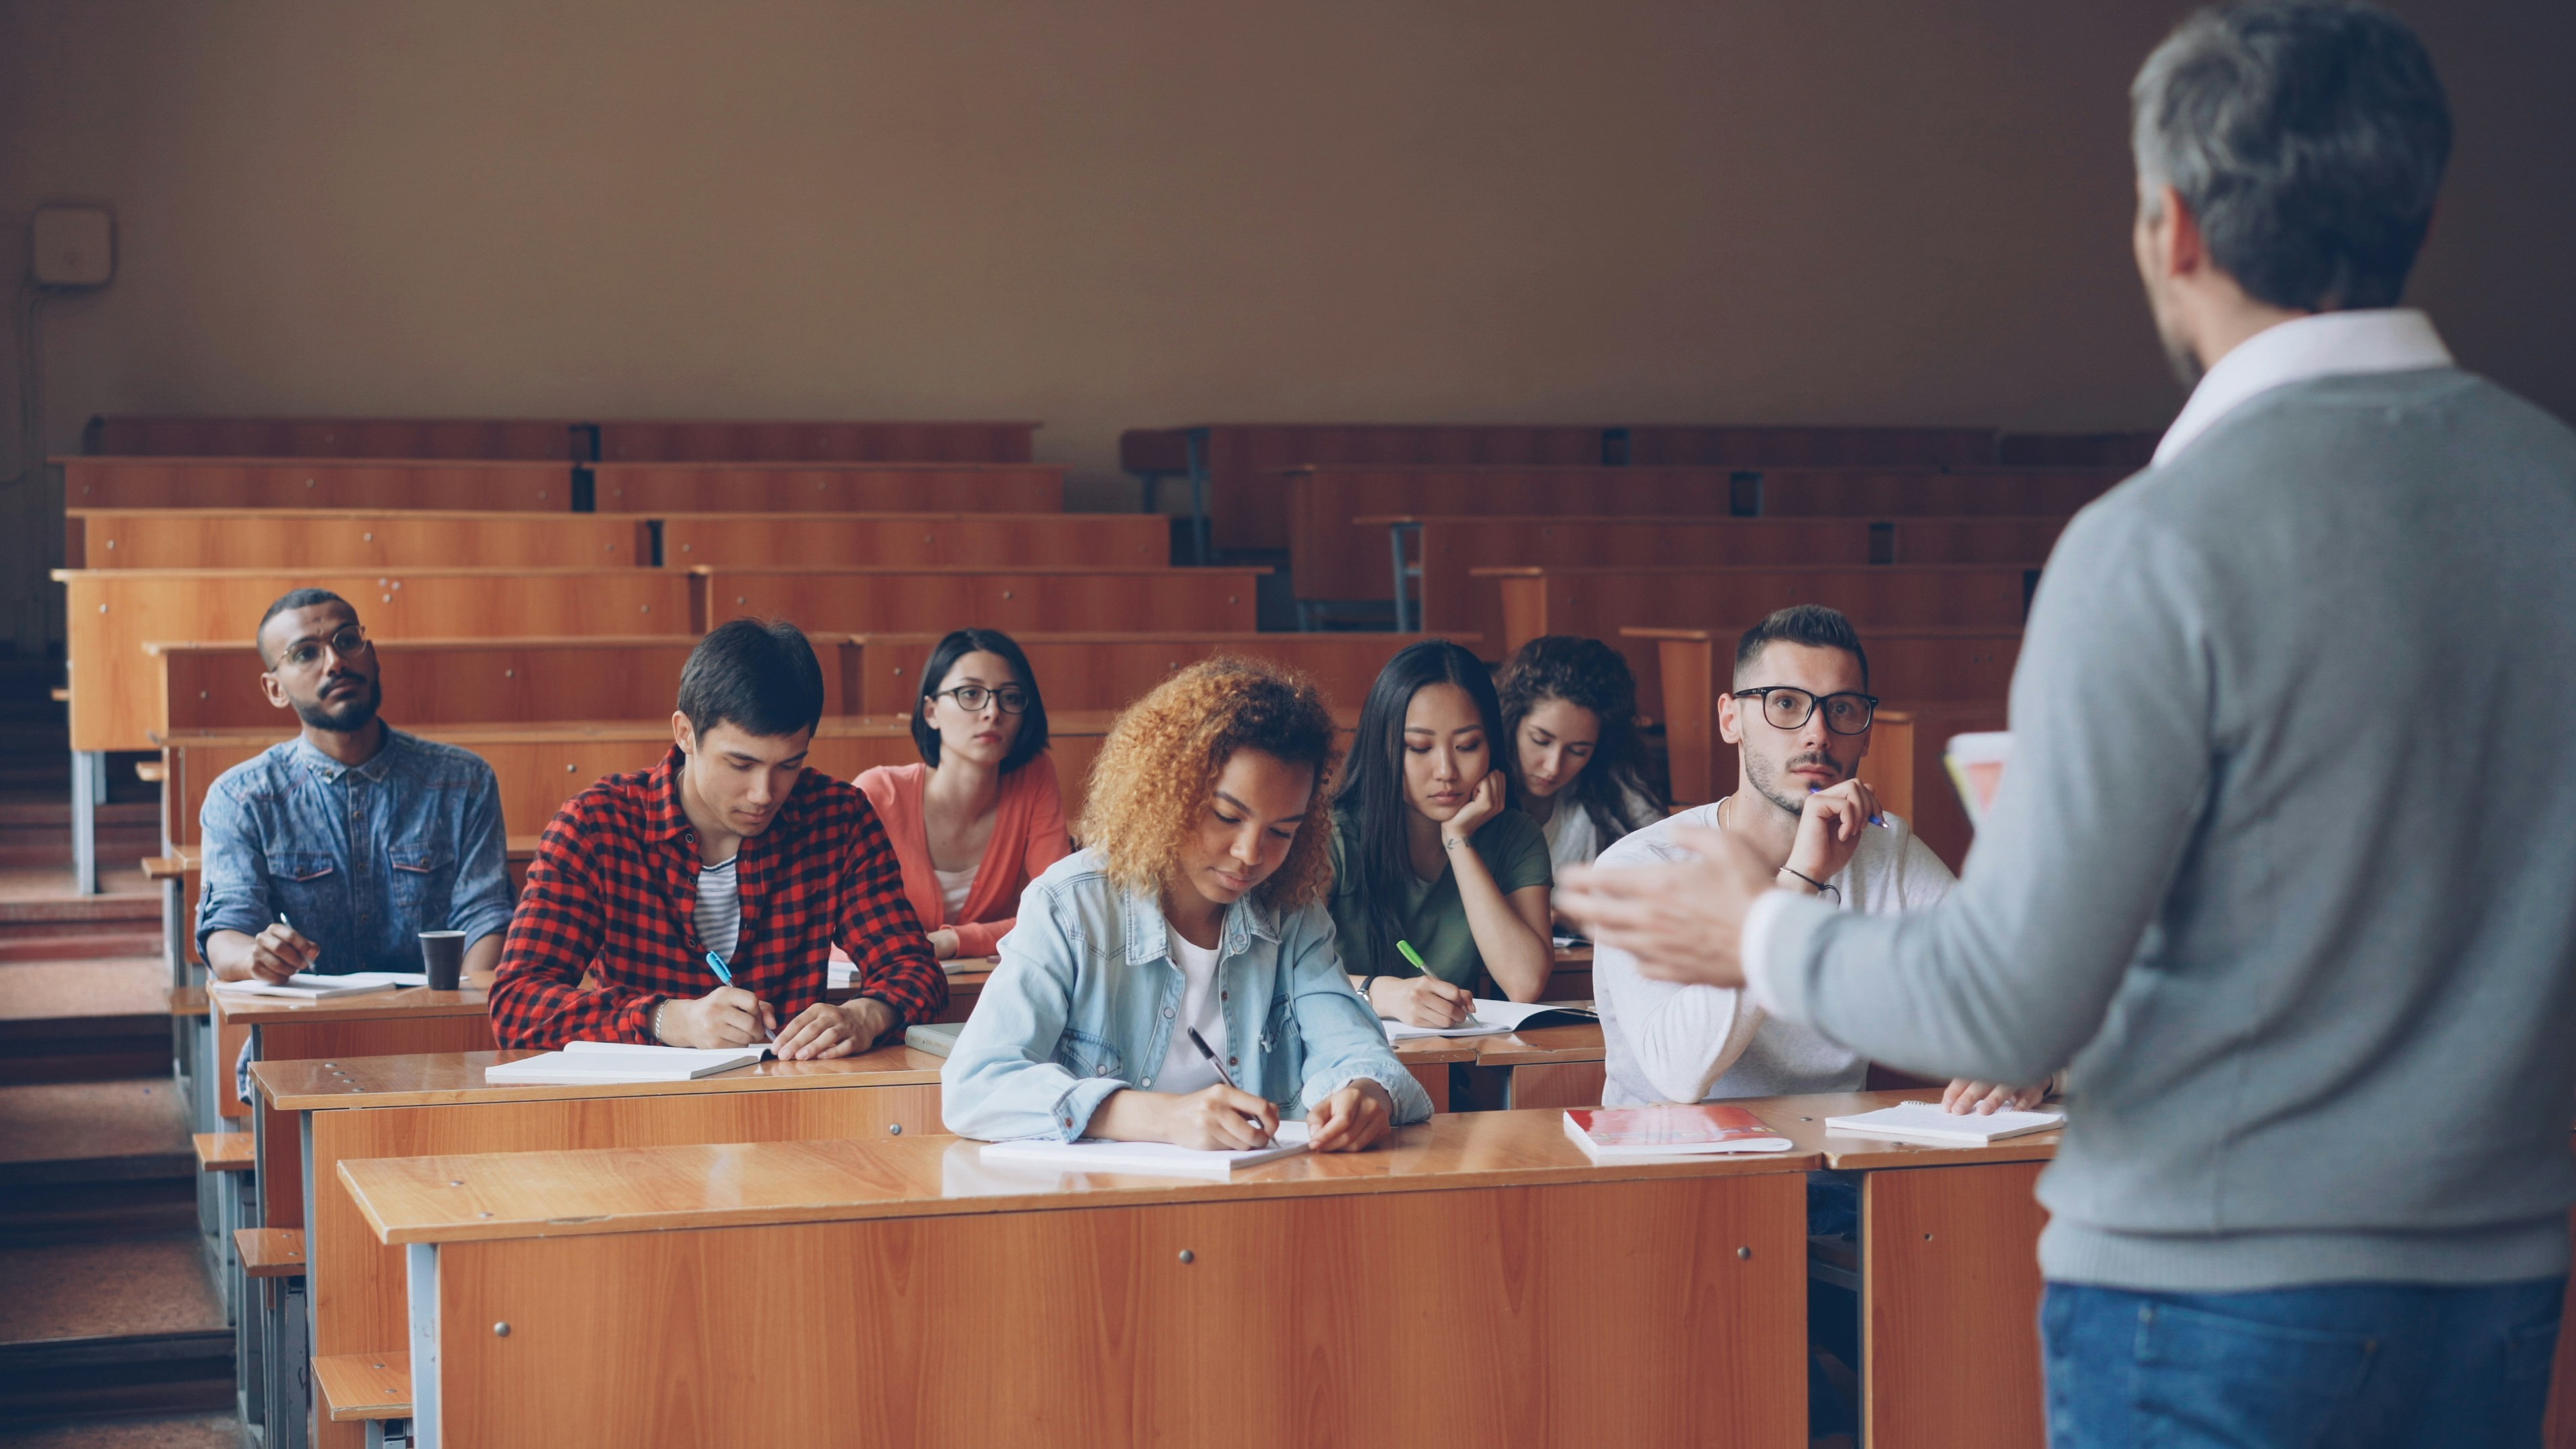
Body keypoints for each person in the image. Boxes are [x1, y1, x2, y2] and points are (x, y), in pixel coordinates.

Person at [1559, 5, 2576, 1444]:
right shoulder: (2557, 498)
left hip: (2212, 1289)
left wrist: (1758, 933)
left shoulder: (2156, 543)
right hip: (2503, 1268)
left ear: (2173, 229)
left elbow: (2007, 1007)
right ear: (2416, 204)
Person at [942, 657, 1431, 1149]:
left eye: (1283, 831)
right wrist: (1157, 1117)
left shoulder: (1294, 916)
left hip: (1261, 1207)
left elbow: (1354, 1048)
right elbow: (976, 1086)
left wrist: (1365, 1094)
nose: (1250, 854)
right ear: (1167, 792)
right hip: (1100, 1214)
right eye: (1225, 816)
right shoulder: (1070, 907)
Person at [1592, 606, 2036, 1111]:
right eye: (1785, 703)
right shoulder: (1642, 866)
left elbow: (2024, 988)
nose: (1818, 733)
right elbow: (1679, 1074)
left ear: (1867, 733)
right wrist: (1799, 880)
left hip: (1834, 1163)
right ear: (1730, 719)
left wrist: (2036, 1073)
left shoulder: (1885, 851)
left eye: (1842, 708)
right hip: (1671, 1172)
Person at [491, 619, 944, 1057]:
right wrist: (667, 1020)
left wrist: (868, 1015)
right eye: (741, 765)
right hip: (639, 1111)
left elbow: (915, 970)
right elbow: (516, 1004)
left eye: (789, 765)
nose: (764, 794)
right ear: (685, 733)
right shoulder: (596, 827)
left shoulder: (838, 819)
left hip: (791, 1099)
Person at [197, 589, 515, 1096]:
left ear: (373, 654)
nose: (336, 662)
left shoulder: (462, 779)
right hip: (305, 1048)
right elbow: (225, 931)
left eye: (349, 641)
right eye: (306, 653)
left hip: (443, 1047)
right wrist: (256, 956)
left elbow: (486, 917)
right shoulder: (241, 796)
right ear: (275, 688)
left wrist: (448, 1024)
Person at [1327, 640, 1554, 1028]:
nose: (1446, 770)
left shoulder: (1515, 837)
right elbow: (1275, 974)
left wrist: (1459, 841)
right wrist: (1381, 992)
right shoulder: (1331, 837)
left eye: (1467, 746)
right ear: (1383, 749)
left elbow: (1524, 982)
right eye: (1419, 748)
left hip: (1450, 1066)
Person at [852, 629, 1068, 961]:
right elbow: (841, 933)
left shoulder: (1034, 777)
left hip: (990, 989)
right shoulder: (878, 794)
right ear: (931, 712)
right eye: (970, 693)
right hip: (887, 994)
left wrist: (953, 942)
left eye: (1010, 697)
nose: (992, 711)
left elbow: (1060, 911)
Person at [1495, 635, 1665, 876]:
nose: (1553, 767)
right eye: (1541, 741)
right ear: (1512, 722)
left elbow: (1667, 862)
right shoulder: (1475, 785)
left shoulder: (1610, 787)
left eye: (1578, 751)